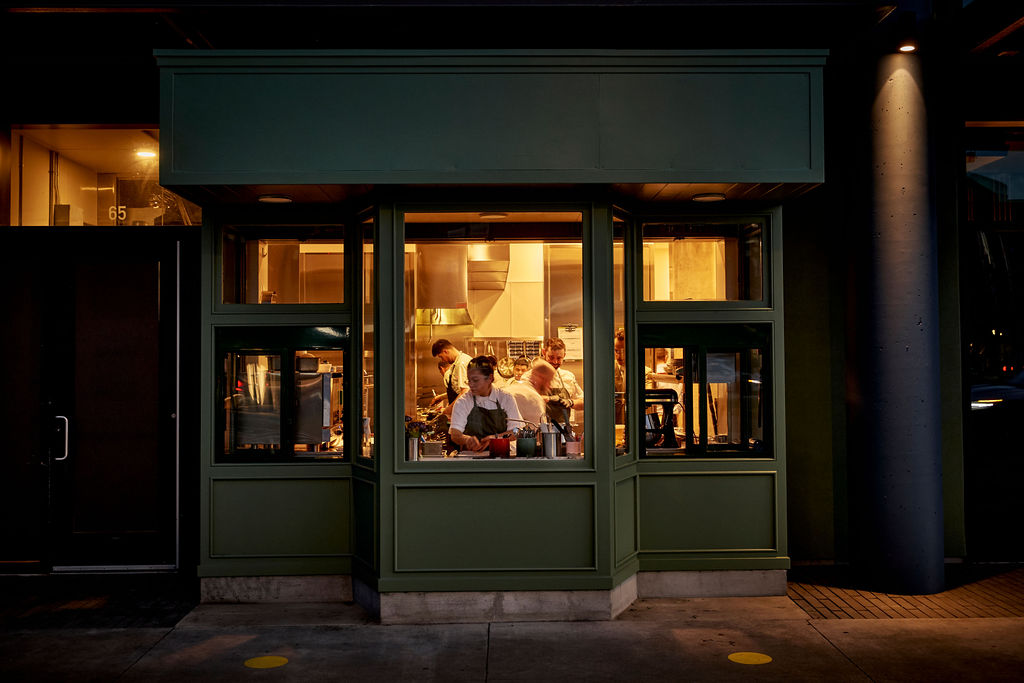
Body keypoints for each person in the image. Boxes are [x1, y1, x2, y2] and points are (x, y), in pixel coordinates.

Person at [448, 356, 522, 452]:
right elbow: (455, 434)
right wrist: (467, 439)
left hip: (501, 455)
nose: (471, 385)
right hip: (472, 458)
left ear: (490, 378)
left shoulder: (506, 398)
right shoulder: (463, 401)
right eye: (469, 380)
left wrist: (497, 438)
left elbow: (517, 431)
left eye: (475, 380)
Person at [526, 337, 584, 426]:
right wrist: (546, 399)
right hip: (537, 430)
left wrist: (570, 402)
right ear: (544, 352)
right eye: (551, 357)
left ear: (564, 355)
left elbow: (584, 402)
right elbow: (523, 401)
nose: (555, 361)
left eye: (559, 358)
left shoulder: (568, 377)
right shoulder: (529, 376)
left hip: (563, 431)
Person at [503, 359, 555, 428]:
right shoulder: (534, 399)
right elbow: (540, 431)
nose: (550, 386)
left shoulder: (509, 389)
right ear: (541, 378)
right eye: (549, 381)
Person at [431, 339, 472, 417]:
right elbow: (458, 390)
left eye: (441, 357)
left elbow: (465, 392)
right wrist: (441, 397)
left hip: (467, 413)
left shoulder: (461, 364)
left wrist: (449, 409)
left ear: (445, 351)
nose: (442, 360)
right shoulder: (456, 363)